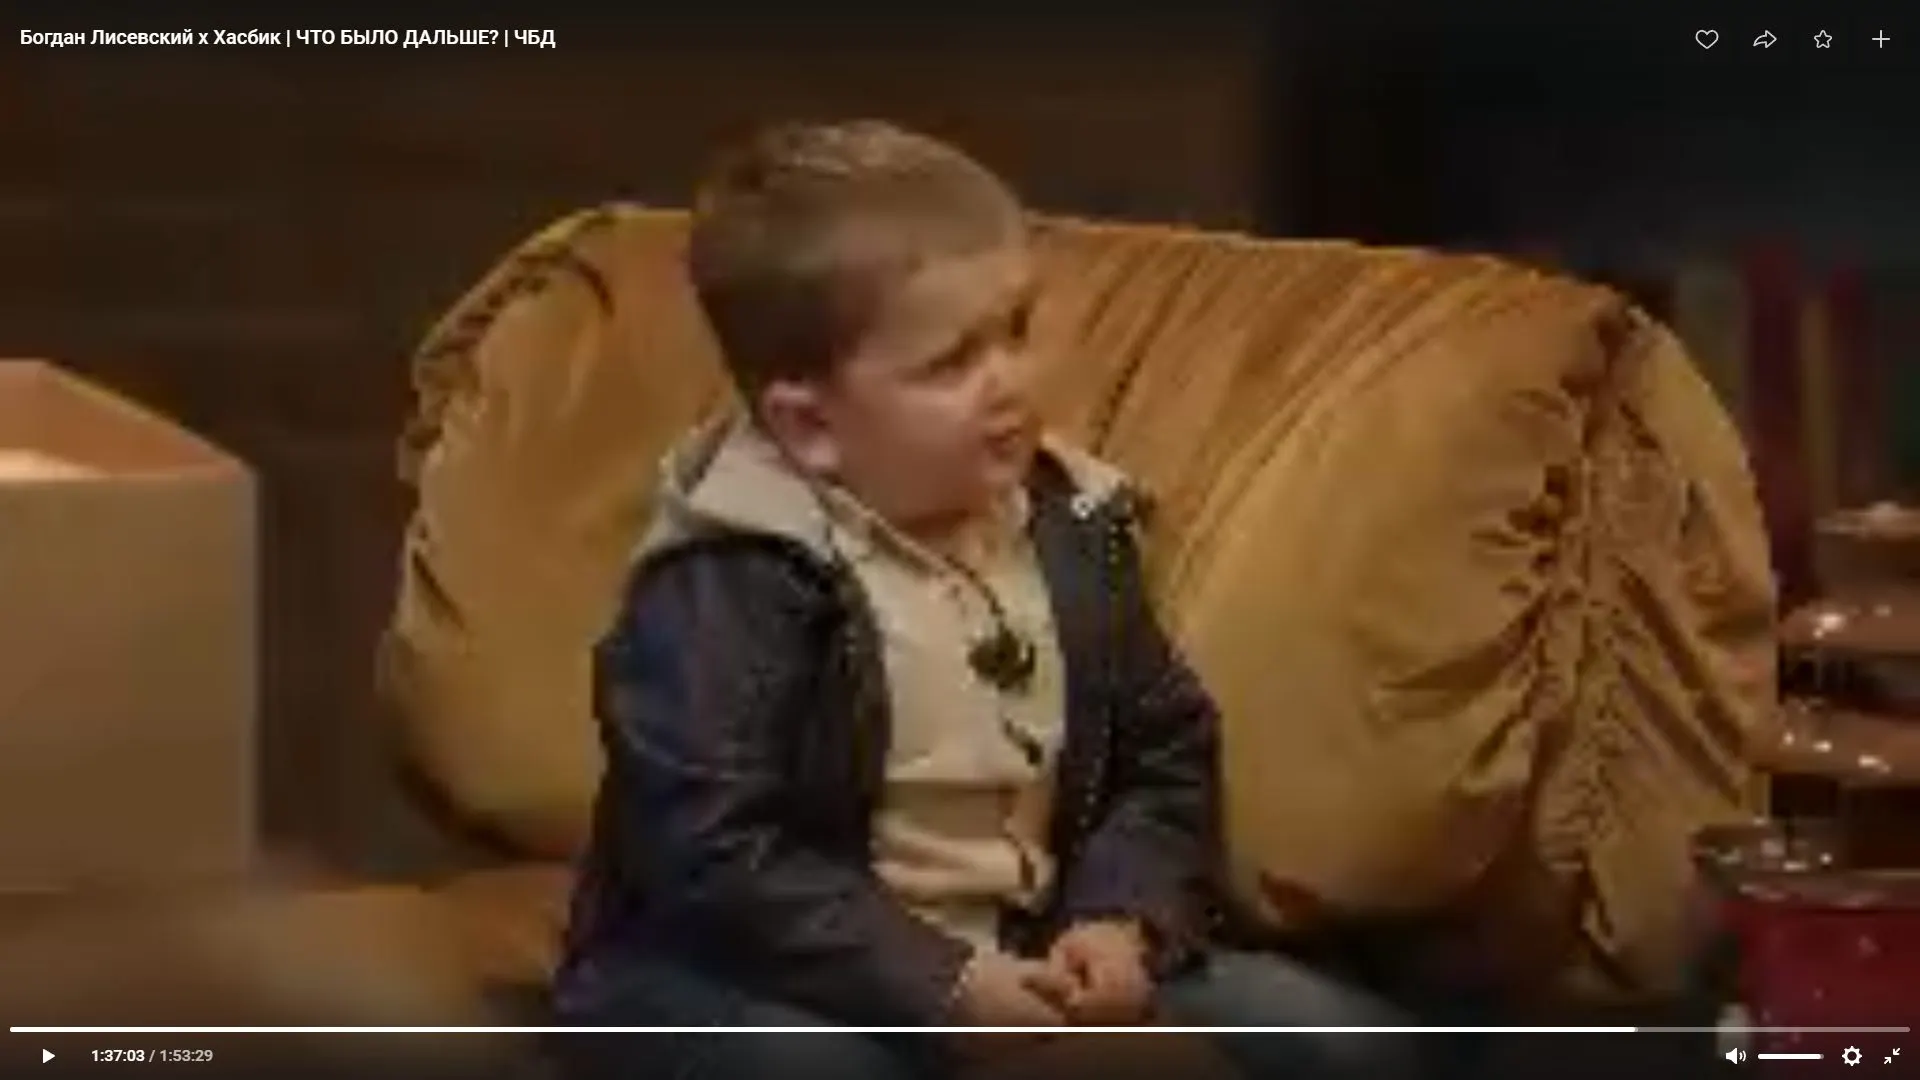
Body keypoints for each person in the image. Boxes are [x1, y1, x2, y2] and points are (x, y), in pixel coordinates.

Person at [550, 120, 1417, 1080]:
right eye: (950, 363)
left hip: (1026, 947)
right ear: (811, 426)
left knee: (1344, 1040)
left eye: (1015, 331)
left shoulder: (1067, 526)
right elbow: (712, 853)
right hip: (746, 978)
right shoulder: (730, 577)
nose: (1008, 381)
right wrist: (939, 983)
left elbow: (1163, 751)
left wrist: (1119, 918)